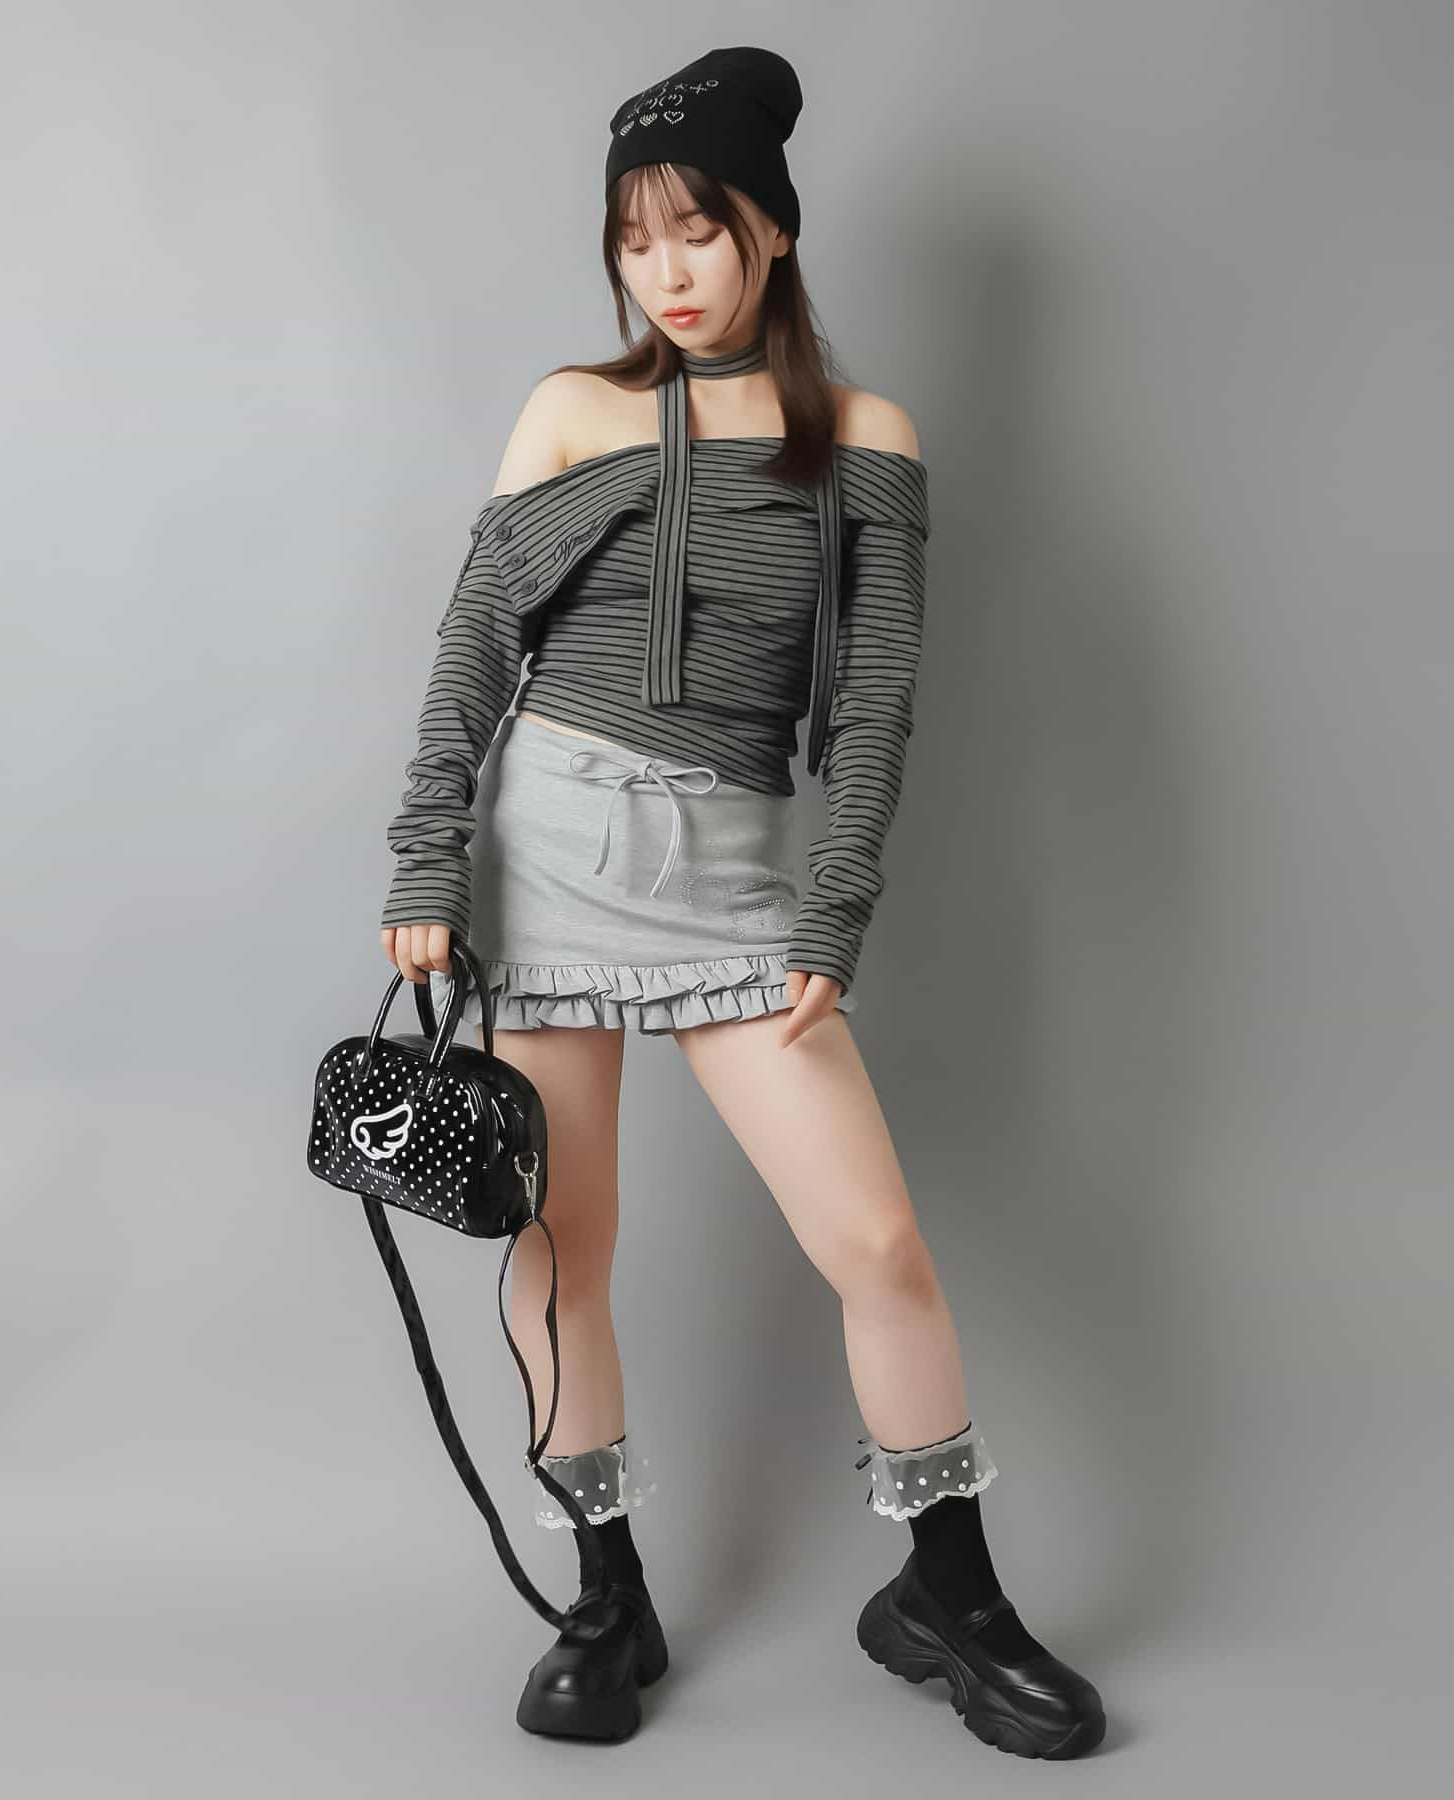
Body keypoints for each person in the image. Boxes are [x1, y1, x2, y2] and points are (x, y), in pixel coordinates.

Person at [377, 44, 1106, 1757]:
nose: (667, 272)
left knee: (878, 1245)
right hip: (547, 859)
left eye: (696, 230)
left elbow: (873, 705)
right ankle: (605, 1597)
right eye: (633, 241)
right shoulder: (571, 409)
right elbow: (475, 650)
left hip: (736, 880)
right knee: (564, 1242)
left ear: (772, 227)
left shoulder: (863, 439)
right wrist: (425, 857)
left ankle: (949, 1597)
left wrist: (832, 912)